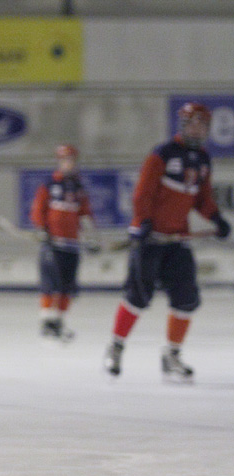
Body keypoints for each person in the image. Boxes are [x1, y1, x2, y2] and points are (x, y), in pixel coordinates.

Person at [103, 101, 230, 381]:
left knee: (186, 299)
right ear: (182, 125)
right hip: (150, 240)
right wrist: (144, 221)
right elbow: (142, 194)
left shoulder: (203, 160)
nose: (197, 130)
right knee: (138, 297)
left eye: (202, 125)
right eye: (192, 124)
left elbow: (202, 198)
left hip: (177, 240)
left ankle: (171, 356)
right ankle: (116, 346)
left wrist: (216, 218)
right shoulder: (162, 155)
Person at [29, 144, 99, 342]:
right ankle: (47, 322)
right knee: (51, 284)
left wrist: (91, 237)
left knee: (67, 286)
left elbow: (85, 214)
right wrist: (42, 229)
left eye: (71, 160)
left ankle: (58, 322)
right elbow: (38, 210)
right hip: (53, 244)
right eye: (65, 160)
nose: (68, 164)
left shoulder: (78, 188)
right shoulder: (49, 185)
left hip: (72, 245)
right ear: (60, 162)